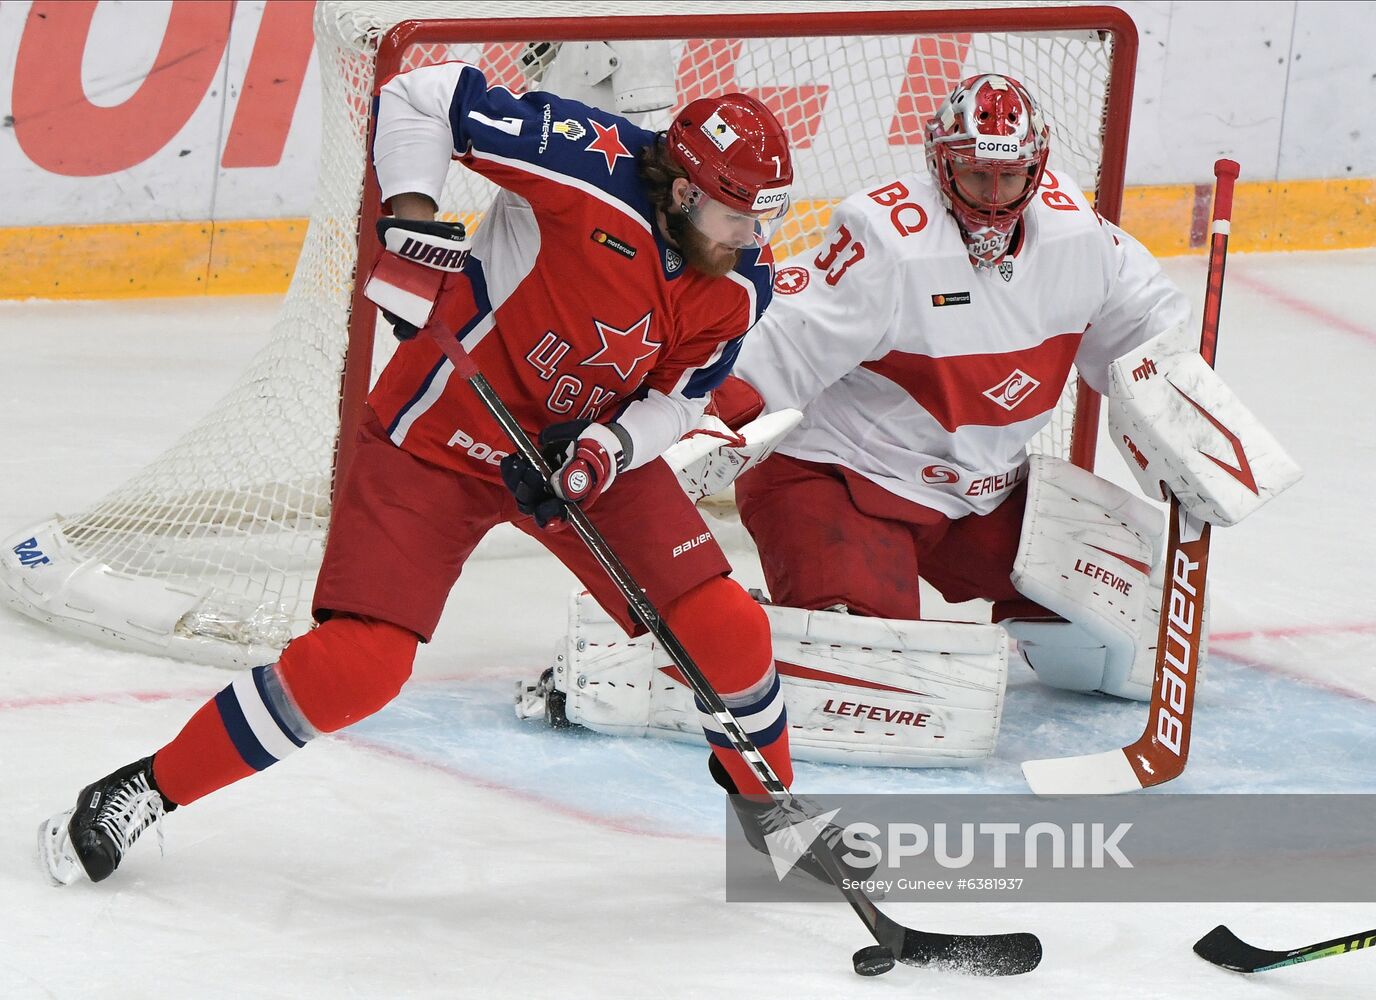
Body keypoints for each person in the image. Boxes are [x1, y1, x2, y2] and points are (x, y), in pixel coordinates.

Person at [39, 60, 811, 886]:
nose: (752, 238)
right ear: (687, 194)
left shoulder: (739, 283)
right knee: (359, 668)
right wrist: (411, 224)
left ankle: (774, 829)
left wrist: (606, 451)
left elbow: (678, 398)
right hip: (438, 436)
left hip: (580, 455)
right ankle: (143, 791)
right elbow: (424, 95)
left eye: (764, 217)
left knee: (729, 630)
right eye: (739, 215)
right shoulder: (586, 161)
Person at [522, 73, 1299, 767]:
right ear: (939, 161)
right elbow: (775, 353)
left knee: (1142, 649)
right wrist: (646, 448)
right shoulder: (888, 240)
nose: (993, 196)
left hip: (987, 495)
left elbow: (1144, 344)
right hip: (842, 485)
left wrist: (1188, 435)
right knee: (879, 686)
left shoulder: (1078, 235)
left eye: (1009, 176)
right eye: (974, 174)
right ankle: (620, 670)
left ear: (1038, 168)